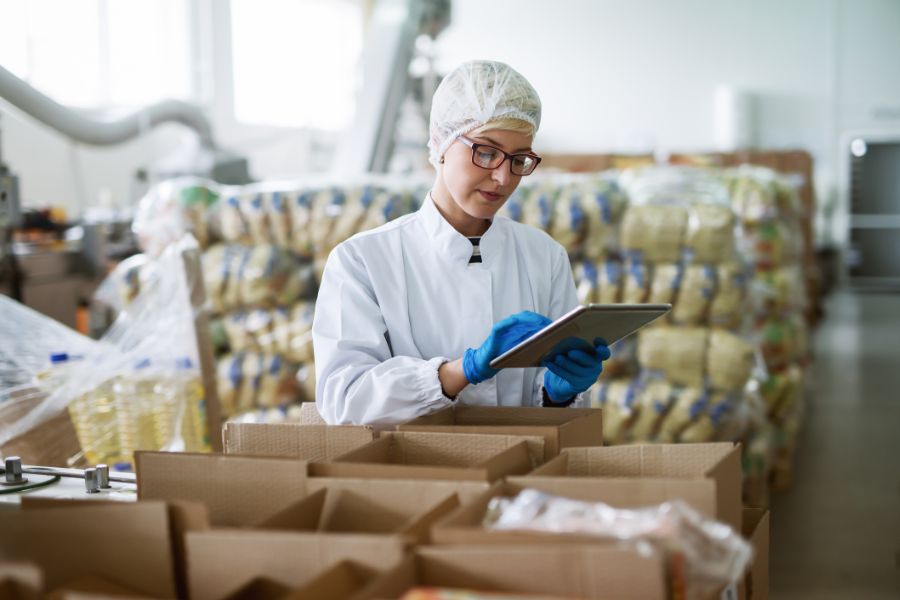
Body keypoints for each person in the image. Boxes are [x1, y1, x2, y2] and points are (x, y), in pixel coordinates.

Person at [312, 60, 610, 426]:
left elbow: (555, 418)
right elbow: (343, 400)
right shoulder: (363, 261)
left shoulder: (544, 257)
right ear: (440, 143)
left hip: (522, 471)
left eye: (519, 159)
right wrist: (460, 372)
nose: (502, 177)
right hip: (411, 475)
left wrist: (558, 394)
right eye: (485, 151)